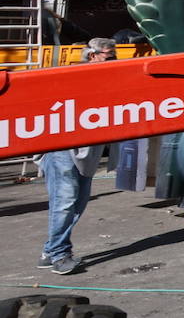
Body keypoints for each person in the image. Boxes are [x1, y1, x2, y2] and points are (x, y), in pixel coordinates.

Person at [40, 37, 116, 274]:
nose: (114, 61)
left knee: (77, 203)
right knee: (65, 202)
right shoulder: (73, 78)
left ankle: (49, 250)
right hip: (63, 148)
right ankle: (59, 254)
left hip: (86, 151)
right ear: (93, 56)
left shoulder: (108, 81)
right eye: (109, 56)